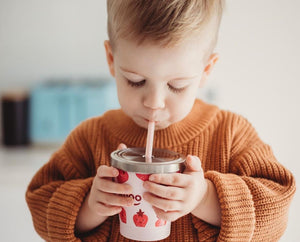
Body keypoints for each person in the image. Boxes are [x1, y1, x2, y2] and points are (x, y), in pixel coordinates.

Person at [26, 0, 296, 241]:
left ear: (205, 71)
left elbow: (279, 210)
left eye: (177, 85)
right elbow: (39, 202)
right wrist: (89, 206)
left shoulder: (231, 134)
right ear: (111, 59)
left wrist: (205, 198)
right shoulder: (90, 137)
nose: (154, 102)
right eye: (136, 81)